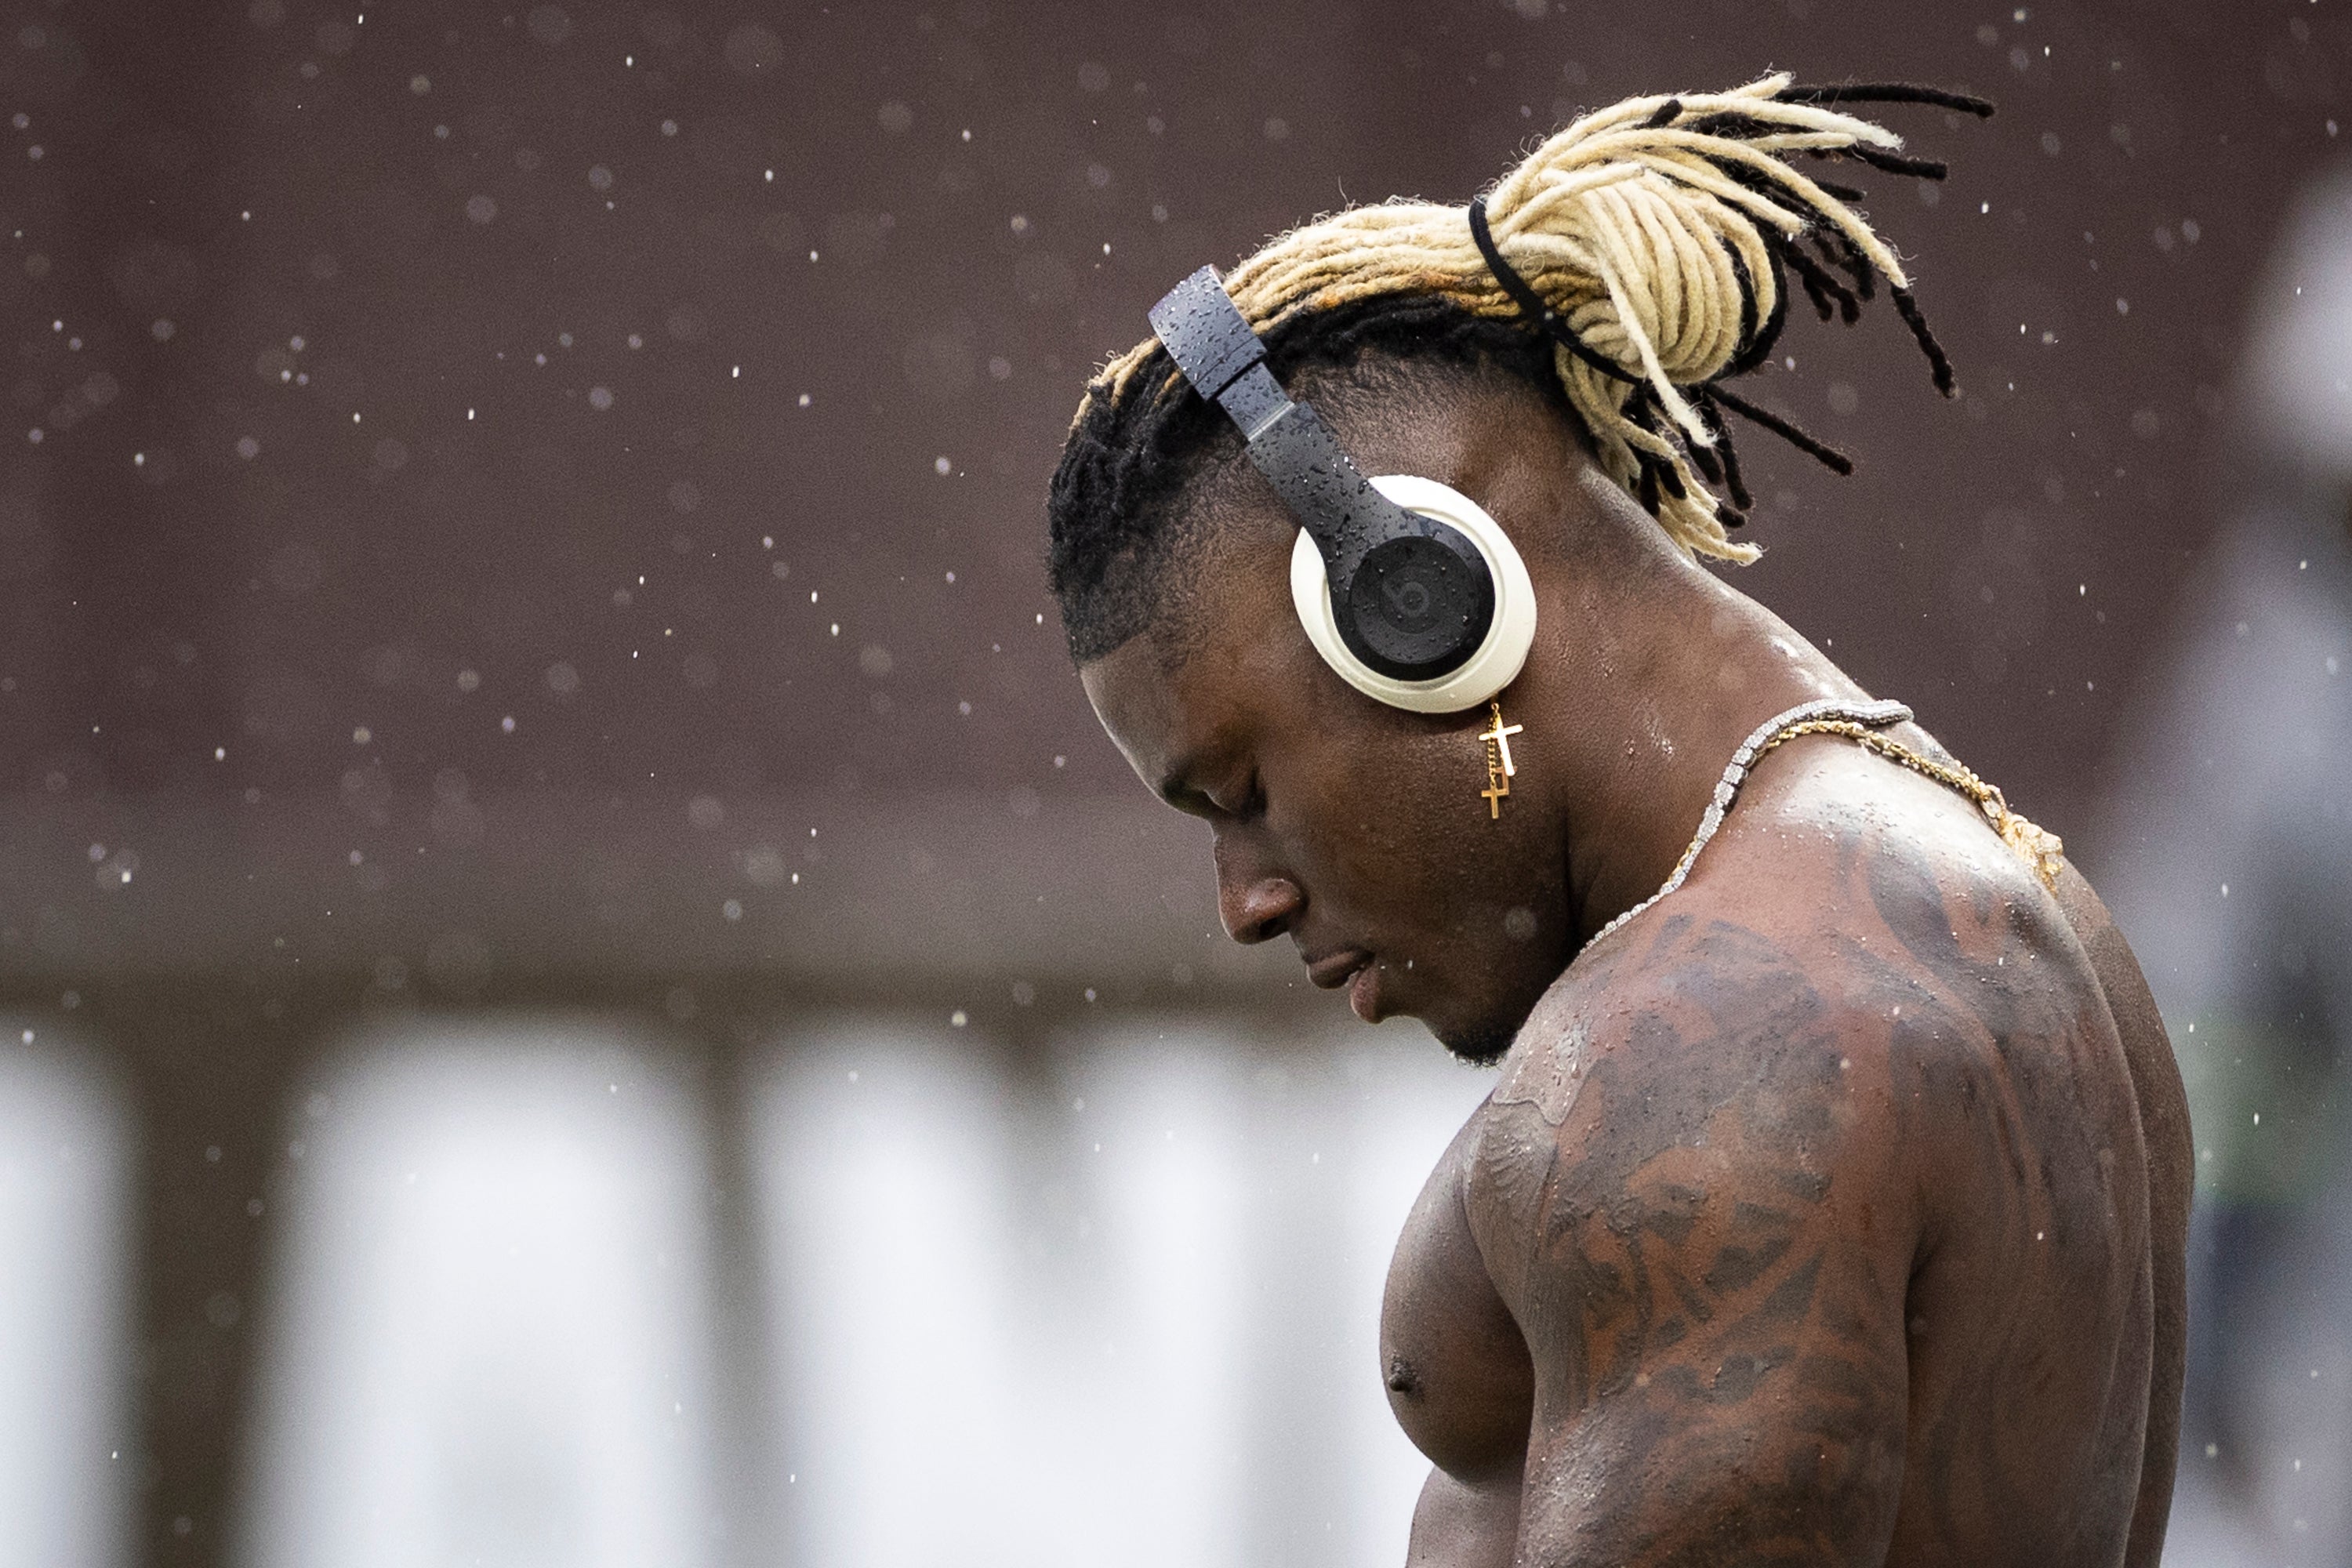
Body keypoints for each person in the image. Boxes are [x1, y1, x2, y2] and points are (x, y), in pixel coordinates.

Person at [1045, 78, 2191, 1565]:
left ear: (1418, 607)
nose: (1243, 902)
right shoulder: (2007, 898)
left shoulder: (1719, 1041)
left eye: (1241, 795)